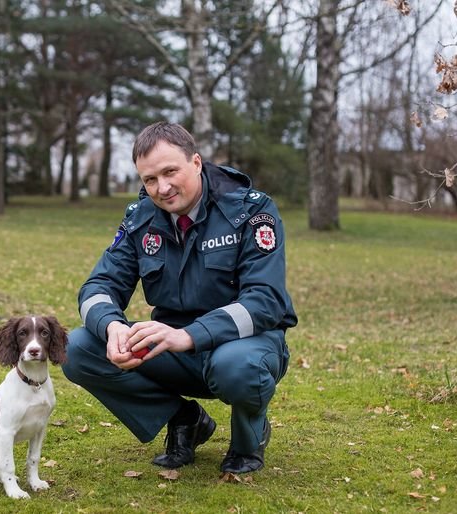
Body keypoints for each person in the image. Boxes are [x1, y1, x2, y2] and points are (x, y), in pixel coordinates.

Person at [62, 122, 297, 474]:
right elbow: (98, 286)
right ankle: (185, 420)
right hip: (173, 352)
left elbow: (265, 301)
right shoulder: (140, 219)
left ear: (197, 163)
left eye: (170, 172)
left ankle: (249, 438)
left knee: (236, 366)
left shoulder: (251, 211)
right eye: (150, 179)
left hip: (244, 346)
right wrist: (112, 328)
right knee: (79, 347)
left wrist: (189, 335)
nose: (163, 188)